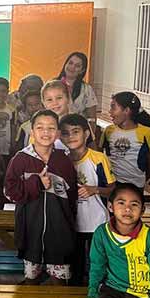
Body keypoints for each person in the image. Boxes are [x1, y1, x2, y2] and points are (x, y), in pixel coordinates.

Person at [4, 110, 79, 298]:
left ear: (57, 132)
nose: (45, 132)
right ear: (32, 131)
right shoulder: (20, 159)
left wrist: (68, 224)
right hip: (31, 228)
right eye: (40, 127)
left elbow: (72, 195)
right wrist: (36, 182)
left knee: (60, 279)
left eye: (51, 128)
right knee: (32, 278)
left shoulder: (63, 160)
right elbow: (10, 192)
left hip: (59, 230)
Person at [59, 113, 114, 286]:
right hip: (72, 223)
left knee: (97, 263)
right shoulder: (61, 160)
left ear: (86, 134)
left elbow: (113, 190)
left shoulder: (98, 159)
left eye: (75, 132)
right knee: (74, 265)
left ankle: (98, 296)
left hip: (96, 222)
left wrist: (94, 190)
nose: (71, 137)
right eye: (66, 133)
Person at [100, 92, 150, 189]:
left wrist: (141, 179)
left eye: (113, 108)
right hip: (111, 184)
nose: (110, 112)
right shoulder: (108, 131)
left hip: (136, 185)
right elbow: (99, 156)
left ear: (126, 110)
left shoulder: (146, 133)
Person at [56, 52, 98, 125]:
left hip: (77, 131)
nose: (72, 67)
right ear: (65, 64)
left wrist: (91, 134)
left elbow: (92, 118)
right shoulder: (53, 85)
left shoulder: (86, 89)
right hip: (55, 129)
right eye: (70, 63)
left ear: (82, 70)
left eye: (77, 66)